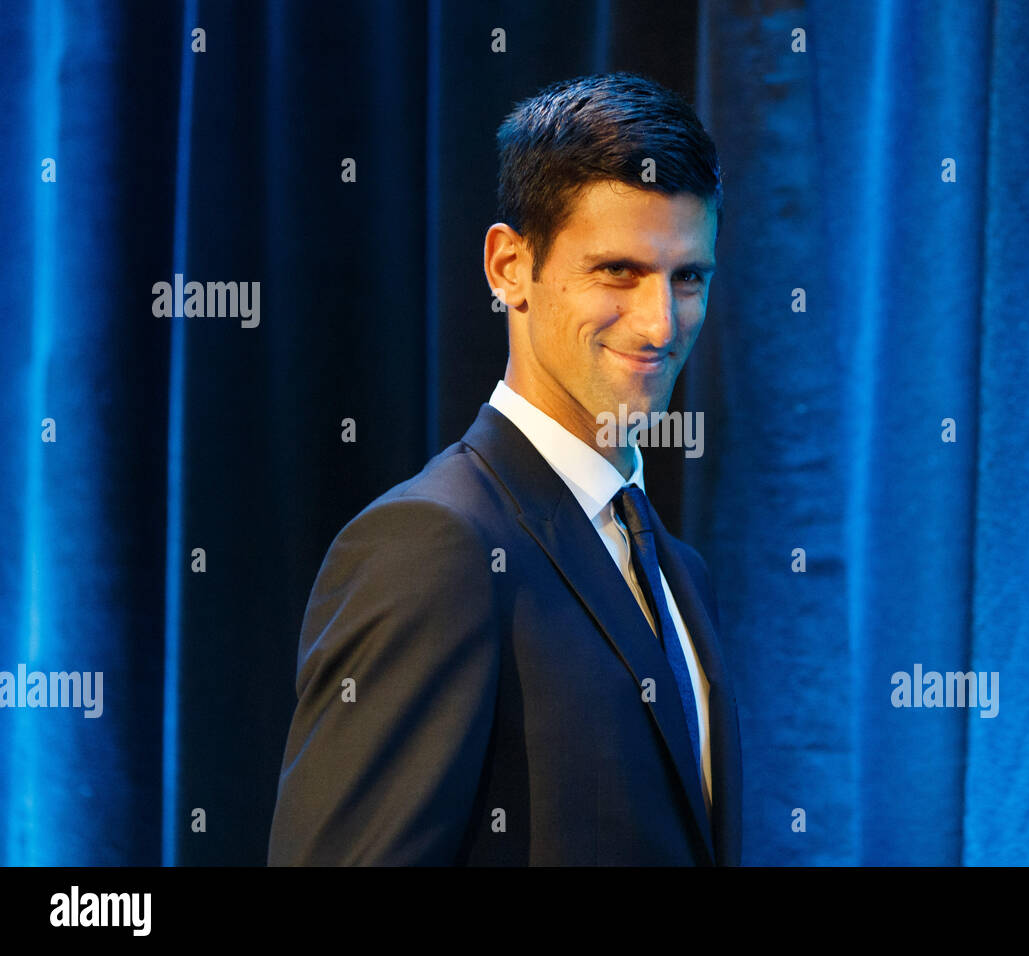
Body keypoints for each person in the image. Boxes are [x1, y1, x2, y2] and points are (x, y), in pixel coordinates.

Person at [267, 71, 741, 866]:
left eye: (688, 277)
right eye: (618, 271)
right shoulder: (432, 546)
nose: (662, 323)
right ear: (508, 266)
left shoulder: (676, 568)